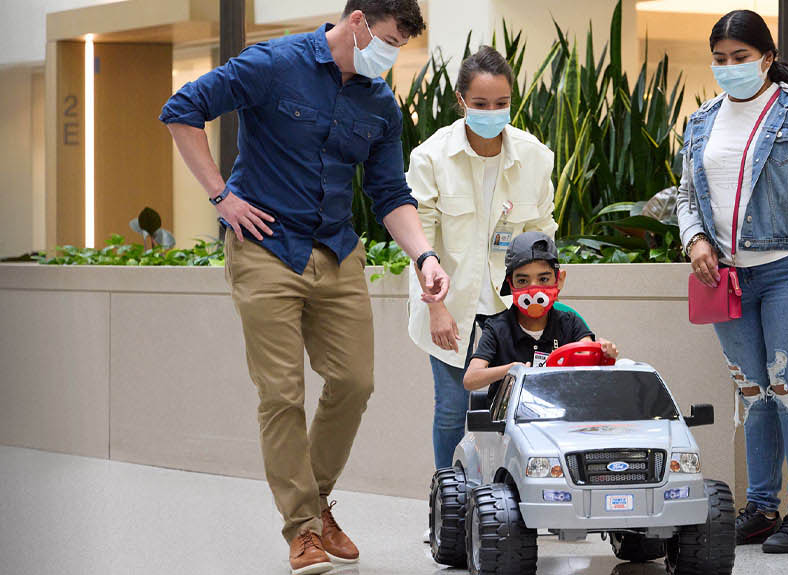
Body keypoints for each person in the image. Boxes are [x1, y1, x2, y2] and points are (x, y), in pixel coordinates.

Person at [158, 2, 447, 573]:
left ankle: (313, 503)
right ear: (358, 21)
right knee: (282, 393)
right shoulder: (274, 62)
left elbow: (390, 194)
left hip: (337, 249)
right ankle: (303, 529)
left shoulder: (379, 102)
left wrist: (425, 256)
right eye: (388, 39)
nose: (390, 55)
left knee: (355, 382)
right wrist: (221, 196)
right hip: (265, 245)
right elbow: (182, 109)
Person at [672, 9, 788, 554]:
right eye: (719, 59)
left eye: (740, 58)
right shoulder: (701, 121)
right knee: (753, 393)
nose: (729, 68)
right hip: (728, 278)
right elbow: (685, 196)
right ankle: (764, 508)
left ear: (767, 58)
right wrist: (696, 240)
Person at [403, 45, 558, 470]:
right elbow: (421, 234)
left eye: (502, 103)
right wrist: (435, 308)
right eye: (481, 104)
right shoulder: (431, 157)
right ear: (461, 102)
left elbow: (543, 230)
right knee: (453, 410)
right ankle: (447, 503)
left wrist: (544, 296)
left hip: (514, 306)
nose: (492, 112)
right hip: (448, 305)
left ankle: (504, 507)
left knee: (514, 411)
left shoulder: (535, 157)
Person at [462, 232, 618, 392]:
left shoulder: (569, 321)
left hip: (559, 411)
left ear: (560, 280)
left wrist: (603, 354)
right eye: (522, 281)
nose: (534, 289)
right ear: (510, 284)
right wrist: (511, 369)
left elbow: (587, 352)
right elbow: (470, 379)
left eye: (543, 279)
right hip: (511, 413)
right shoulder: (497, 327)